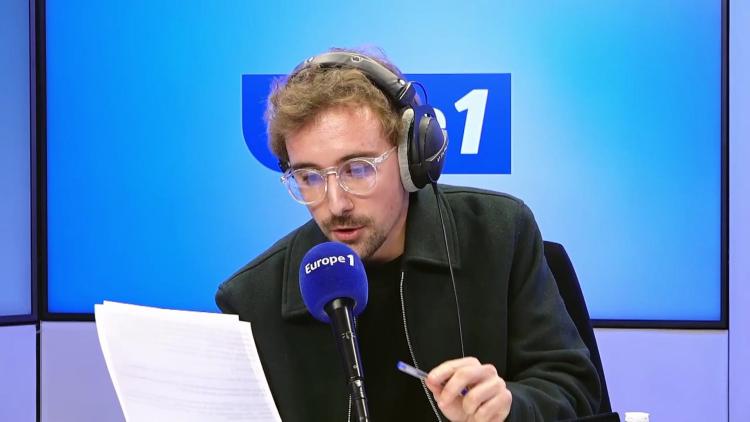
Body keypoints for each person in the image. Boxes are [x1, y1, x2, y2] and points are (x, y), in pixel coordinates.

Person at [216, 48, 601, 421]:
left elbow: (576, 392)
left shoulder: (499, 234)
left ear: (409, 159)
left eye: (357, 169)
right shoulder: (253, 300)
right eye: (309, 177)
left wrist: (509, 409)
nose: (335, 204)